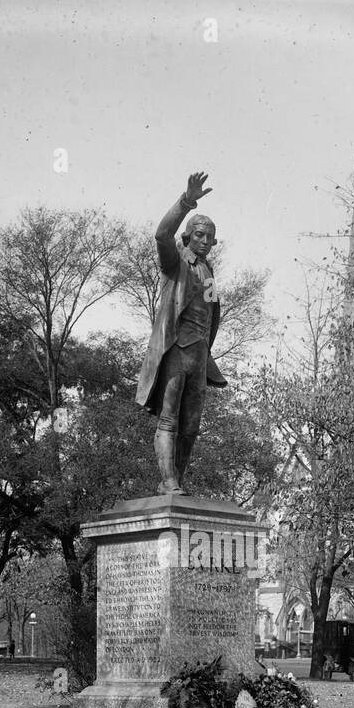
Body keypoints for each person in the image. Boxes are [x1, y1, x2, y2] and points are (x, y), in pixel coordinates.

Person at [136, 171, 228, 494]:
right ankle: (169, 481)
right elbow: (162, 234)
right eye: (199, 235)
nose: (204, 241)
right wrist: (186, 202)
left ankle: (176, 482)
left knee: (191, 427)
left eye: (209, 237)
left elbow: (211, 315)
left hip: (200, 356)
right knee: (169, 420)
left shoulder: (208, 271)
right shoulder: (176, 262)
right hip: (176, 349)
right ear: (188, 236)